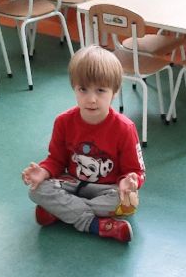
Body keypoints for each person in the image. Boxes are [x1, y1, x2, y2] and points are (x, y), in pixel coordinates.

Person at [22, 45, 146, 244]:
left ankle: (61, 212)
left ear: (114, 92)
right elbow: (56, 160)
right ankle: (96, 225)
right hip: (72, 183)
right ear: (74, 88)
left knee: (128, 202)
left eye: (100, 90)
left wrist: (129, 182)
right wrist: (43, 171)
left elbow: (136, 171)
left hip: (107, 190)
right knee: (37, 190)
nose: (91, 99)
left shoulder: (125, 128)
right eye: (83, 89)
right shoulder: (63, 121)